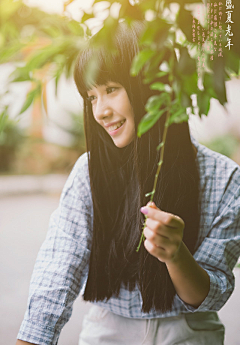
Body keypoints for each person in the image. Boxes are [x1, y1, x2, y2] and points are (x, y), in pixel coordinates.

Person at [16, 21, 240, 345]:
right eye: (91, 97)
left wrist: (176, 255)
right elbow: (58, 268)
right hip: (106, 334)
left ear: (151, 86)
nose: (100, 111)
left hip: (191, 335)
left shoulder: (224, 179)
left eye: (110, 89)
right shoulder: (89, 172)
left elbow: (211, 295)